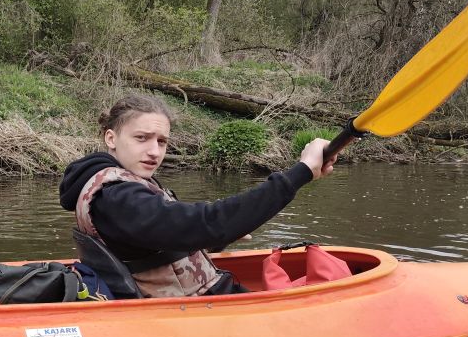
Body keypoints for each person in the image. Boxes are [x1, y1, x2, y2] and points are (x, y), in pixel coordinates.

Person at [59, 94, 335, 298]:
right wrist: (301, 172)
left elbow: (160, 237)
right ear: (111, 138)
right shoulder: (117, 196)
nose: (154, 151)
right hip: (189, 305)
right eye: (142, 138)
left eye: (162, 141)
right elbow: (204, 223)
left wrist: (221, 236)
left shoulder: (118, 182)